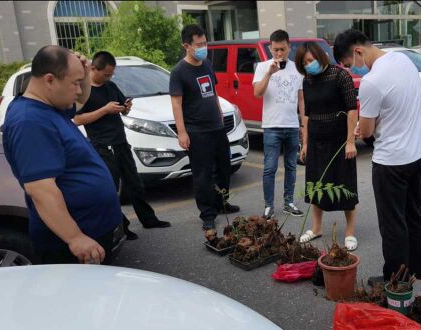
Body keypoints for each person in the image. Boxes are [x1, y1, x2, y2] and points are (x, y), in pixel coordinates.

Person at [2, 45, 122, 265]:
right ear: (50, 79)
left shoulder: (49, 105)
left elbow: (79, 102)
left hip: (92, 231)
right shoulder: (29, 121)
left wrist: (83, 75)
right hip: (72, 245)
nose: (79, 89)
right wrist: (75, 238)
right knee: (83, 298)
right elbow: (41, 189)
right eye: (75, 83)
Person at [333, 29, 421, 283]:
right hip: (418, 152)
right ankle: (419, 269)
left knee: (392, 222)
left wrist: (359, 129)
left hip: (392, 161)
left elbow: (366, 131)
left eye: (350, 65)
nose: (353, 70)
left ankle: (395, 278)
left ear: (358, 51)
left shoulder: (372, 81)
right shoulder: (403, 60)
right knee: (413, 212)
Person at [74, 51, 170, 240]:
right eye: (106, 74)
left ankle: (149, 219)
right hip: (103, 146)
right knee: (111, 189)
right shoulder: (84, 92)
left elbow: (122, 108)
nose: (109, 77)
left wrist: (126, 108)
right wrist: (105, 110)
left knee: (135, 184)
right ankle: (121, 226)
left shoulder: (110, 86)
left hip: (121, 142)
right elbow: (77, 119)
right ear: (93, 68)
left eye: (111, 74)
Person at [169, 24, 239, 232]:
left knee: (223, 168)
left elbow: (213, 94)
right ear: (186, 46)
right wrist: (182, 132)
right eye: (199, 44)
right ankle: (208, 214)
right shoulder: (179, 72)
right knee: (203, 175)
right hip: (196, 132)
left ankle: (221, 203)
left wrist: (220, 116)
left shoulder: (207, 64)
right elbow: (176, 104)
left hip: (217, 128)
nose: (203, 47)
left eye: (205, 43)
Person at [294, 42, 359, 250]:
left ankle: (349, 233)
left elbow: (351, 110)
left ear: (321, 56)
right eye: (304, 63)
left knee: (345, 184)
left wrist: (350, 141)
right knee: (316, 184)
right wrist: (305, 143)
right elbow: (306, 114)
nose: (308, 65)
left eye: (310, 60)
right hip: (316, 140)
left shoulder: (340, 76)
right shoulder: (308, 80)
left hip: (340, 141)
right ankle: (316, 227)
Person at [253, 29, 305, 220]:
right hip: (271, 126)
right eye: (275, 50)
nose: (279, 53)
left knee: (291, 166)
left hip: (291, 125)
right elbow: (257, 93)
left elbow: (301, 100)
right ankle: (268, 206)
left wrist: (303, 126)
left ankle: (289, 202)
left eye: (282, 49)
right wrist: (269, 73)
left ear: (289, 47)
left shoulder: (297, 69)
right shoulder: (262, 66)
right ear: (270, 48)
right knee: (269, 167)